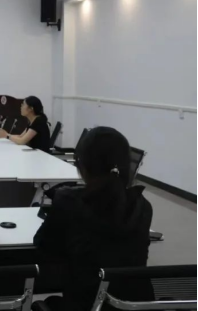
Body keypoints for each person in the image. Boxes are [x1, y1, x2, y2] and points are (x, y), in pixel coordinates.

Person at [34, 127, 153, 311]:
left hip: (85, 303)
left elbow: (44, 246)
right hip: (134, 305)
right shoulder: (143, 206)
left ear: (82, 165)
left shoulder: (68, 201)